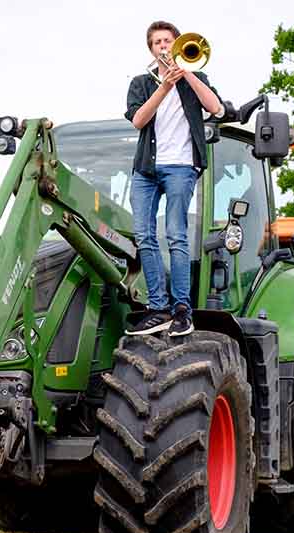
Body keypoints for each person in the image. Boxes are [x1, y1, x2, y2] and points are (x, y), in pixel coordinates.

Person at [124, 21, 224, 337]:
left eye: (168, 41)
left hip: (182, 166)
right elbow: (139, 120)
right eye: (157, 43)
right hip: (146, 170)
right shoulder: (141, 82)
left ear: (178, 45)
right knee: (143, 235)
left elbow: (216, 108)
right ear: (151, 49)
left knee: (176, 235)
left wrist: (187, 74)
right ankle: (158, 308)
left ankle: (182, 309)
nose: (163, 46)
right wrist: (164, 85)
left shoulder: (197, 78)